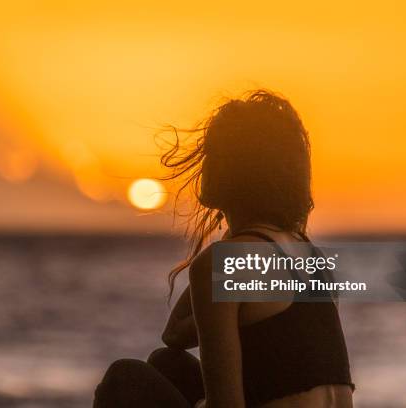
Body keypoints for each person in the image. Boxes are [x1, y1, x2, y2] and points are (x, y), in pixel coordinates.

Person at [94, 89, 354, 407]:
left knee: (125, 378)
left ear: (230, 169)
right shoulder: (315, 259)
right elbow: (174, 335)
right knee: (167, 363)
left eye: (212, 154)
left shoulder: (222, 265)